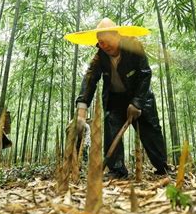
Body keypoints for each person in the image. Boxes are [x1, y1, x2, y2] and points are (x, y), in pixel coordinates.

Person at [65, 18, 168, 179]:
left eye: (107, 41)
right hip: (115, 100)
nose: (104, 46)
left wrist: (137, 102)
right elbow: (89, 80)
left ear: (117, 37)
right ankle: (117, 170)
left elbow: (145, 74)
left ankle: (163, 167)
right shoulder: (100, 57)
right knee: (112, 128)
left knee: (150, 131)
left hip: (140, 97)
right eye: (100, 43)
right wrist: (81, 110)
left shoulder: (134, 47)